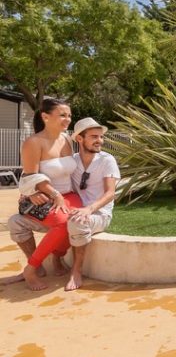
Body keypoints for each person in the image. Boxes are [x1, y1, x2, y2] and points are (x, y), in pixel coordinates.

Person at [2, 98, 83, 290]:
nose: (67, 119)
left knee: (76, 221)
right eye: (62, 115)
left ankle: (57, 257)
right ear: (45, 117)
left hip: (70, 195)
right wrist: (54, 194)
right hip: (46, 198)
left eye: (69, 115)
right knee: (63, 223)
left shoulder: (67, 140)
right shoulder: (33, 142)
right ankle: (31, 269)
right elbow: (31, 175)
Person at [64, 117, 120, 291]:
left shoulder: (106, 160)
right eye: (94, 136)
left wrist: (88, 209)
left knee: (77, 221)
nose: (100, 141)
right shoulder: (72, 161)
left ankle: (76, 271)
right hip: (76, 209)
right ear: (80, 139)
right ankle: (43, 264)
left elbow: (110, 193)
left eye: (101, 137)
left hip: (99, 214)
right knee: (18, 222)